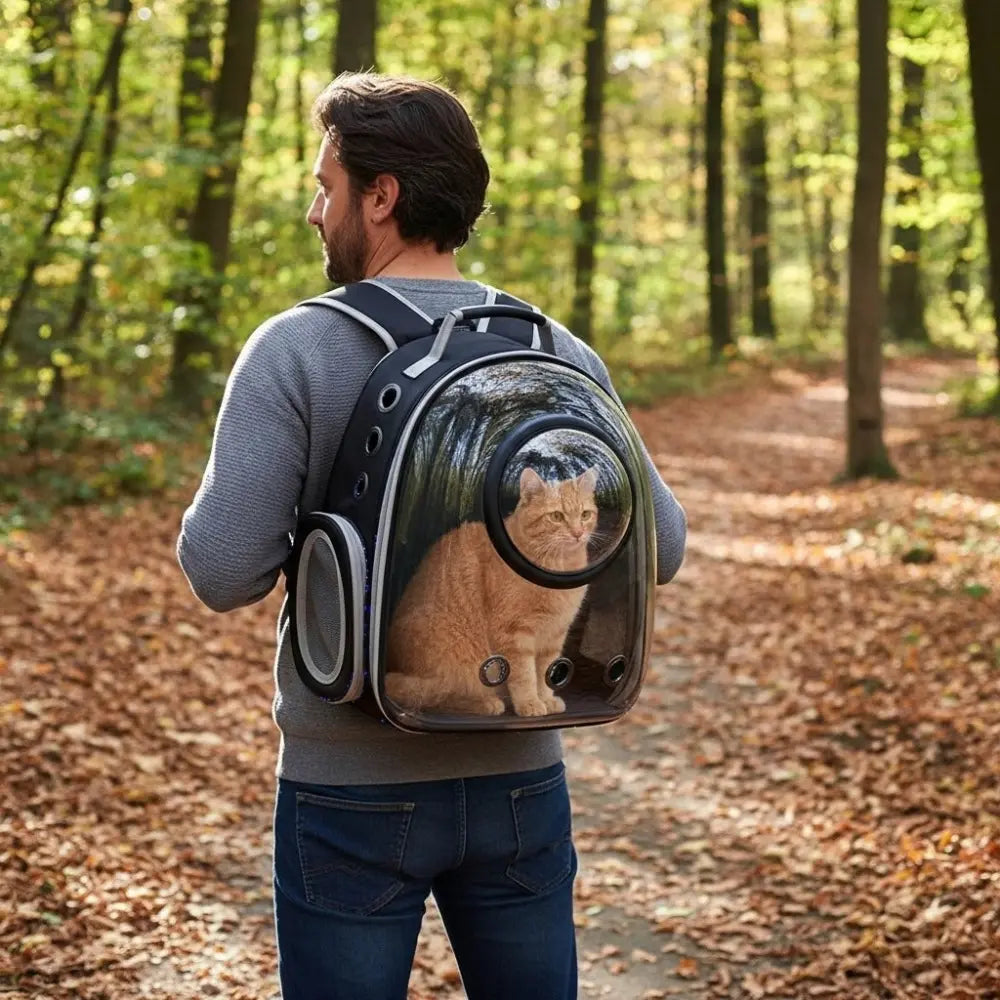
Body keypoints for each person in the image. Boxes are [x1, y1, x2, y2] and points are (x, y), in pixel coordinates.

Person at [177, 72, 686, 1000]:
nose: (314, 210)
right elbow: (668, 543)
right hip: (521, 774)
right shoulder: (555, 349)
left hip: (350, 784)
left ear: (381, 196)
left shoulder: (297, 348)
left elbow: (221, 570)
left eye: (326, 186)